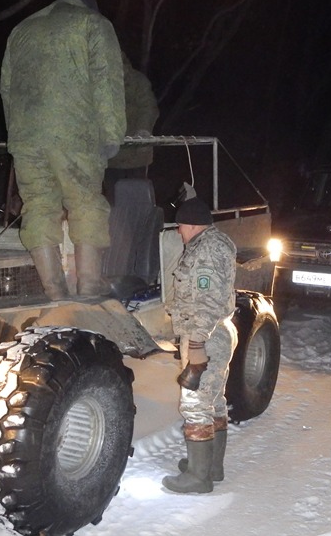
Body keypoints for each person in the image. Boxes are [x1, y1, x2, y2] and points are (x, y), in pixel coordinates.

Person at [0, 0, 126, 299]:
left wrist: (17, 134)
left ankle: (54, 294)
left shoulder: (22, 29)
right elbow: (107, 82)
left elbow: (7, 88)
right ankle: (89, 291)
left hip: (26, 137)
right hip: (74, 134)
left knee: (39, 208)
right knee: (85, 204)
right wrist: (112, 135)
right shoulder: (93, 24)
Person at [163, 196, 238, 494]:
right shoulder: (214, 242)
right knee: (214, 400)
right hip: (217, 333)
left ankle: (197, 477)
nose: (179, 231)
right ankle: (212, 467)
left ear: (193, 225)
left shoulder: (205, 252)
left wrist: (195, 344)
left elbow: (207, 301)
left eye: (180, 226)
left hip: (205, 336)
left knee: (195, 405)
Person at [103, 51, 159, 205]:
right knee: (113, 201)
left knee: (138, 200)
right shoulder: (101, 86)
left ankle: (139, 227)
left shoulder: (137, 81)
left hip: (137, 154)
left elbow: (149, 107)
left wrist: (143, 132)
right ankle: (115, 228)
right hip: (112, 156)